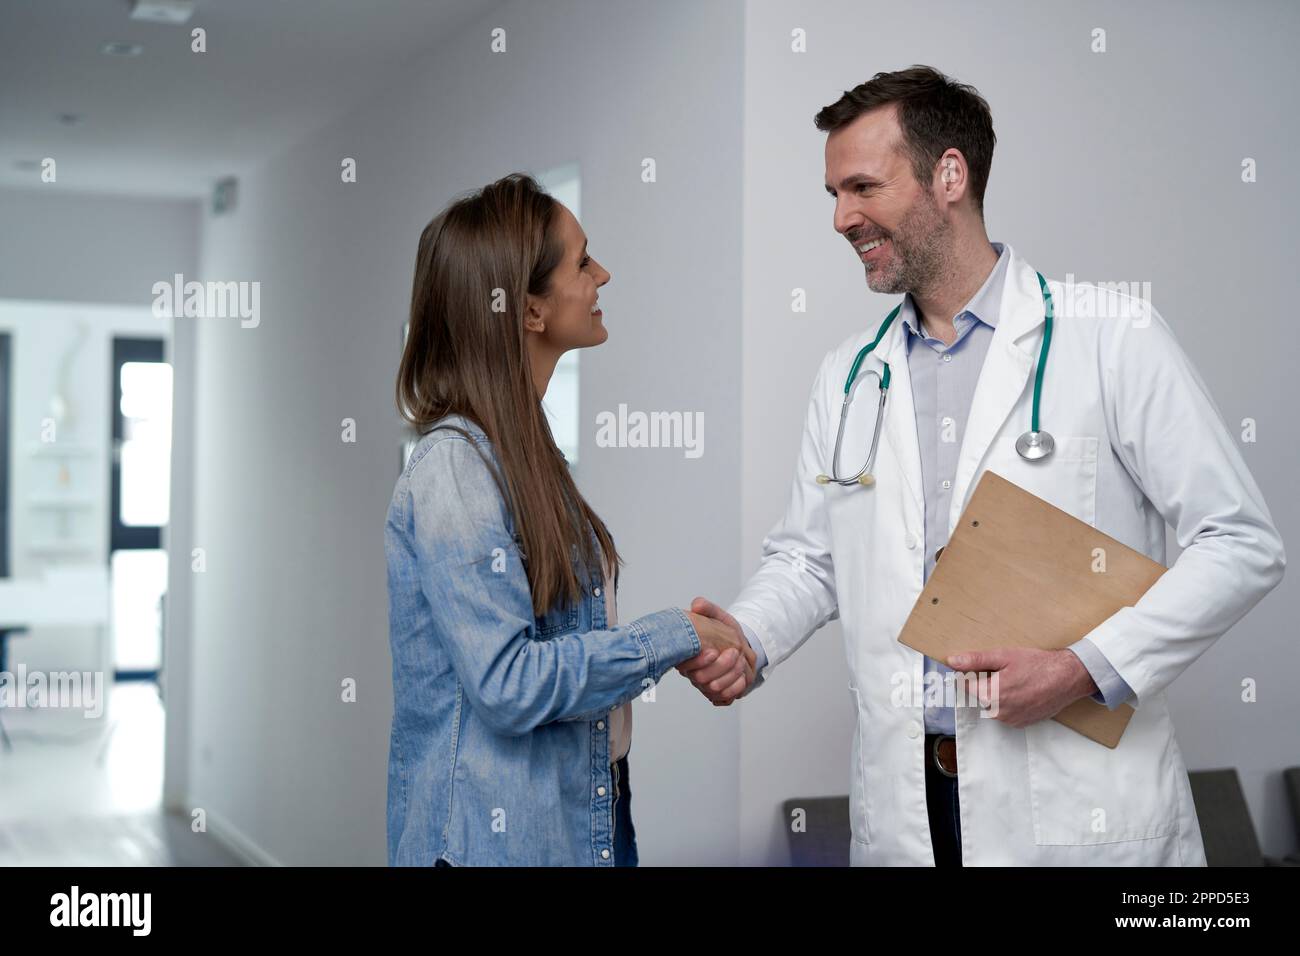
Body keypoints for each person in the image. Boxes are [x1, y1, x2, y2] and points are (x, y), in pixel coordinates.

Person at [681, 65, 1285, 866]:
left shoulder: (1111, 335)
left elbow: (1241, 541)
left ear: (950, 175)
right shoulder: (849, 374)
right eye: (832, 194)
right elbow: (812, 557)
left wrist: (1081, 669)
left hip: (1072, 807)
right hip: (910, 809)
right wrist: (747, 636)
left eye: (861, 187)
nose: (840, 218)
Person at [386, 173, 754, 866]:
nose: (602, 275)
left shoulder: (526, 455)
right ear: (528, 310)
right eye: (583, 261)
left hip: (586, 812)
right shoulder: (454, 471)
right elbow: (508, 684)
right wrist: (669, 637)